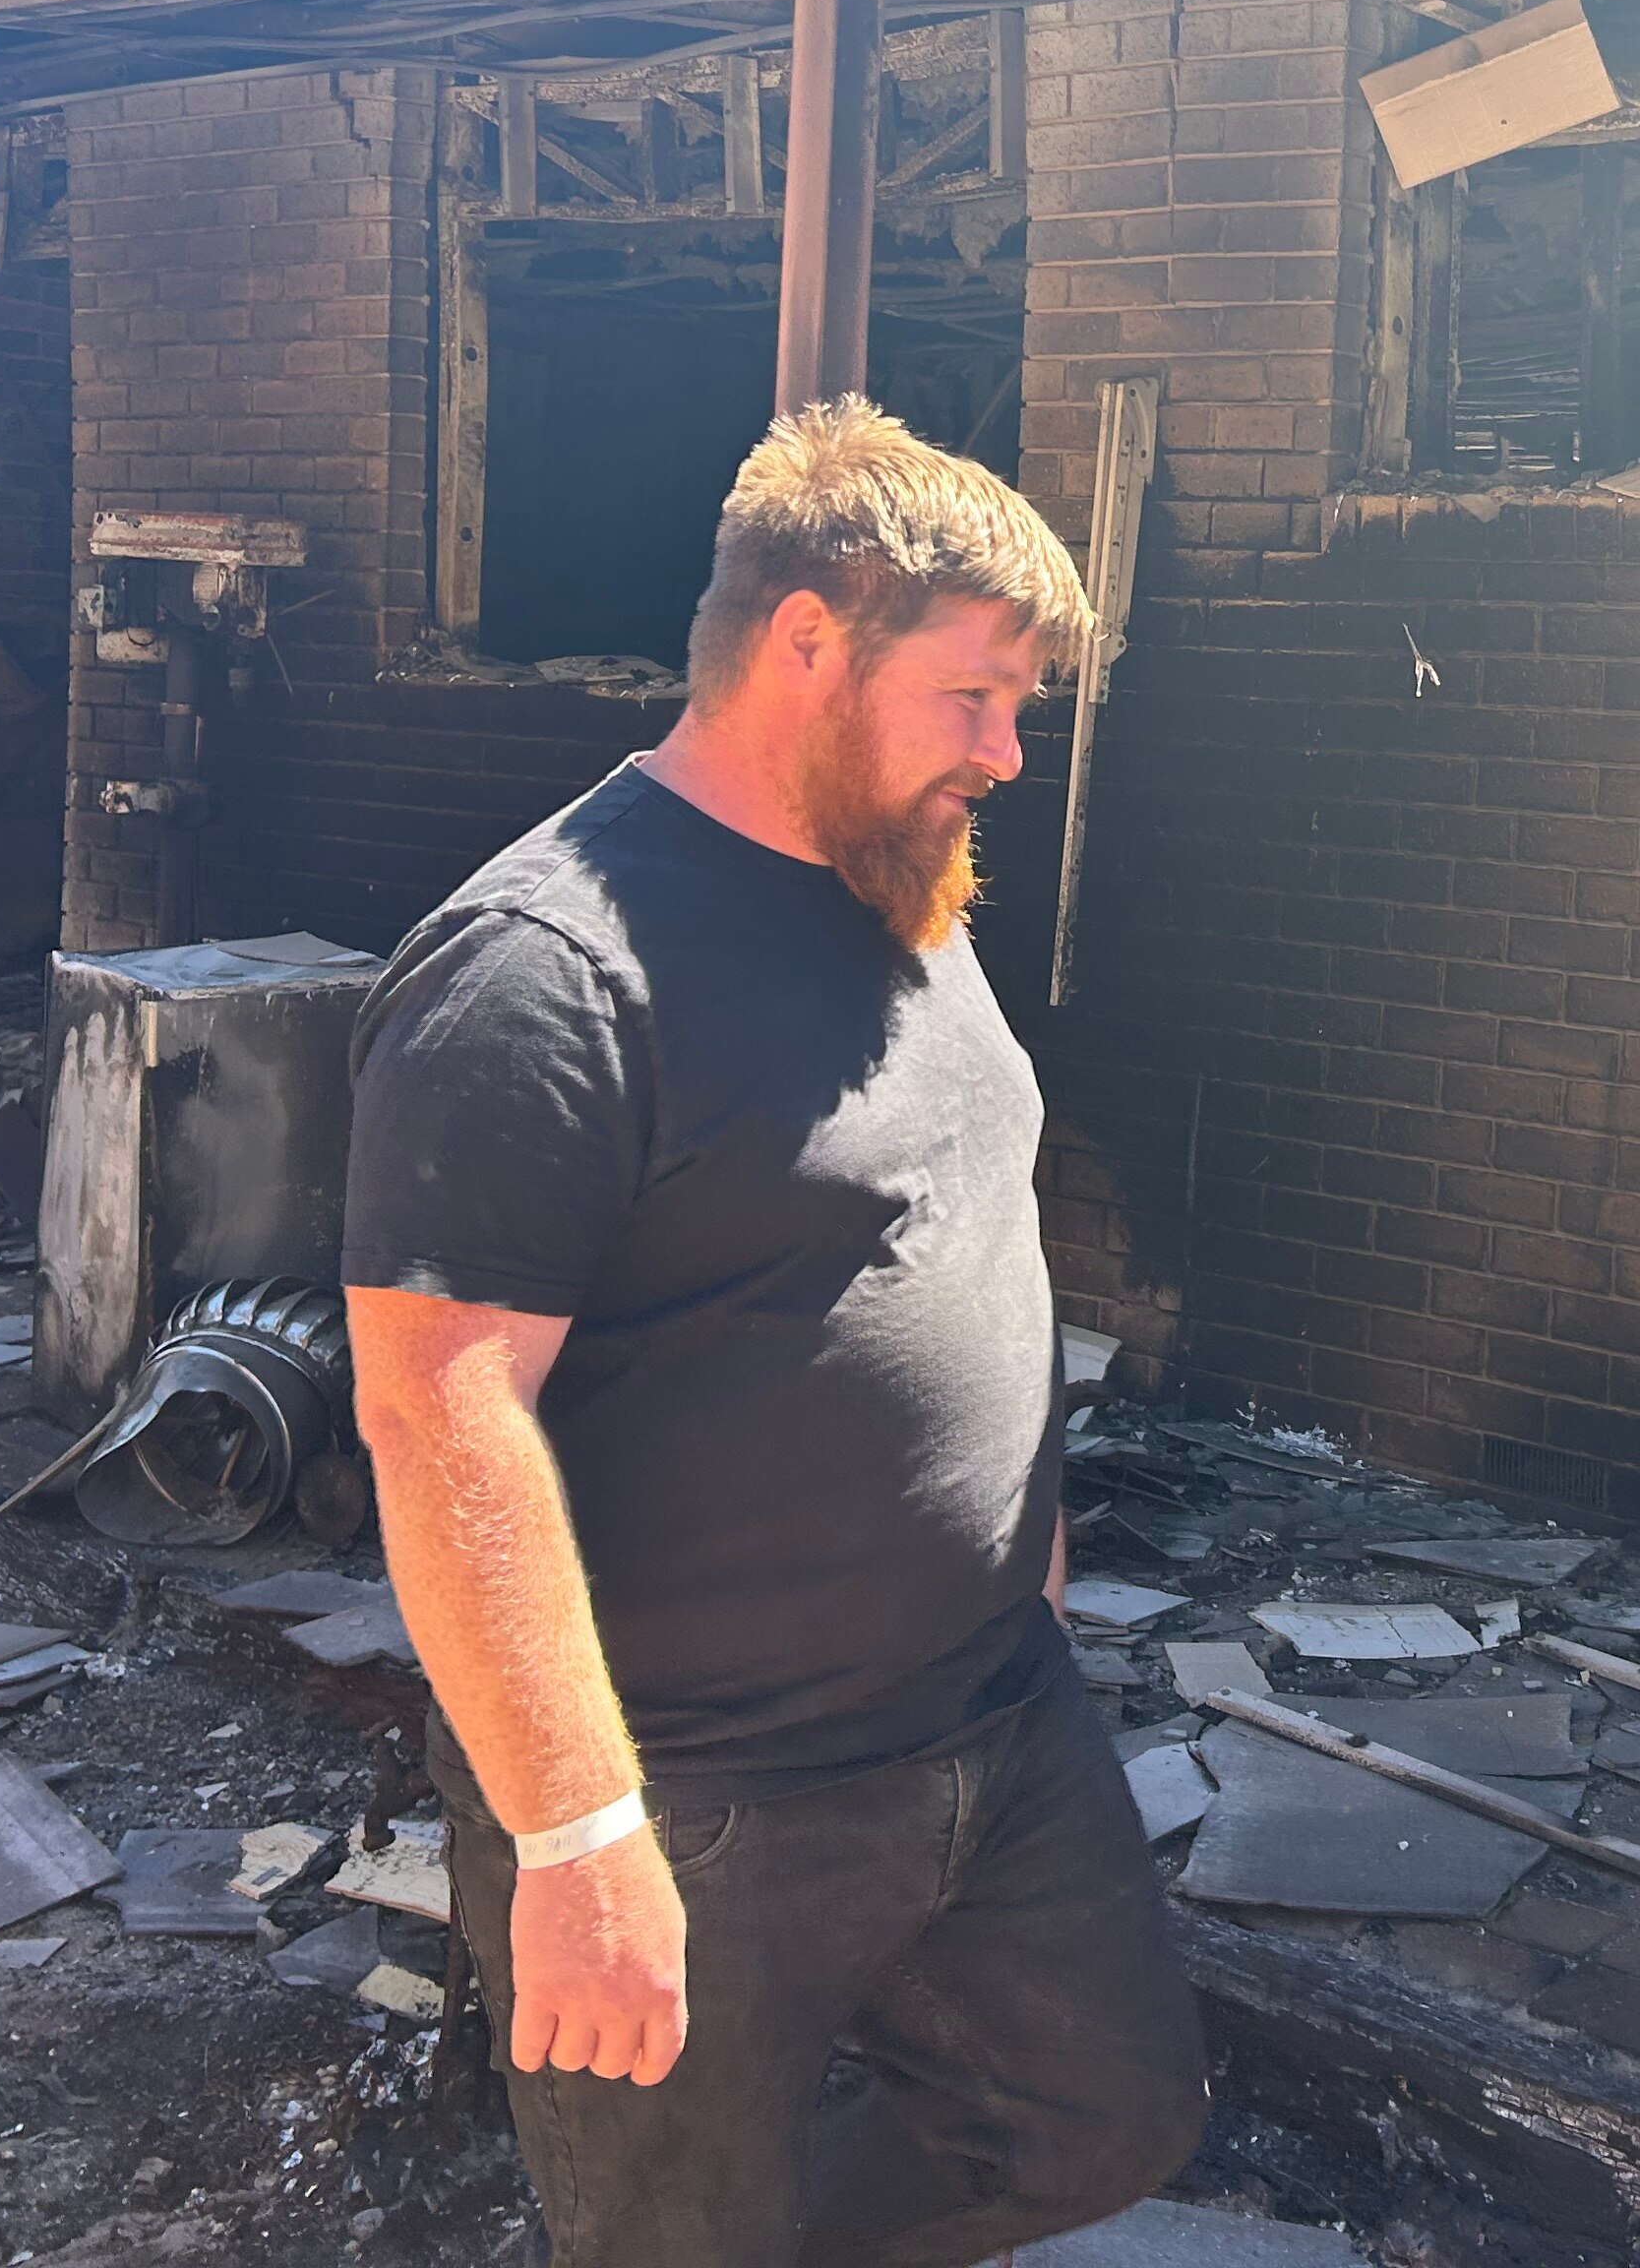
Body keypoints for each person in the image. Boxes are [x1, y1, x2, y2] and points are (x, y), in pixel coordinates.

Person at [341, 398, 1206, 2268]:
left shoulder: (903, 890)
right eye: (974, 697)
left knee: (1105, 2120)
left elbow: (955, 1209)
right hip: (702, 1796)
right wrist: (573, 1840)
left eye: (1019, 710)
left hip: (988, 1714)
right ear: (810, 643)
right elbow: (442, 1419)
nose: (1008, 750)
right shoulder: (541, 977)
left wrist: (1025, 1520)